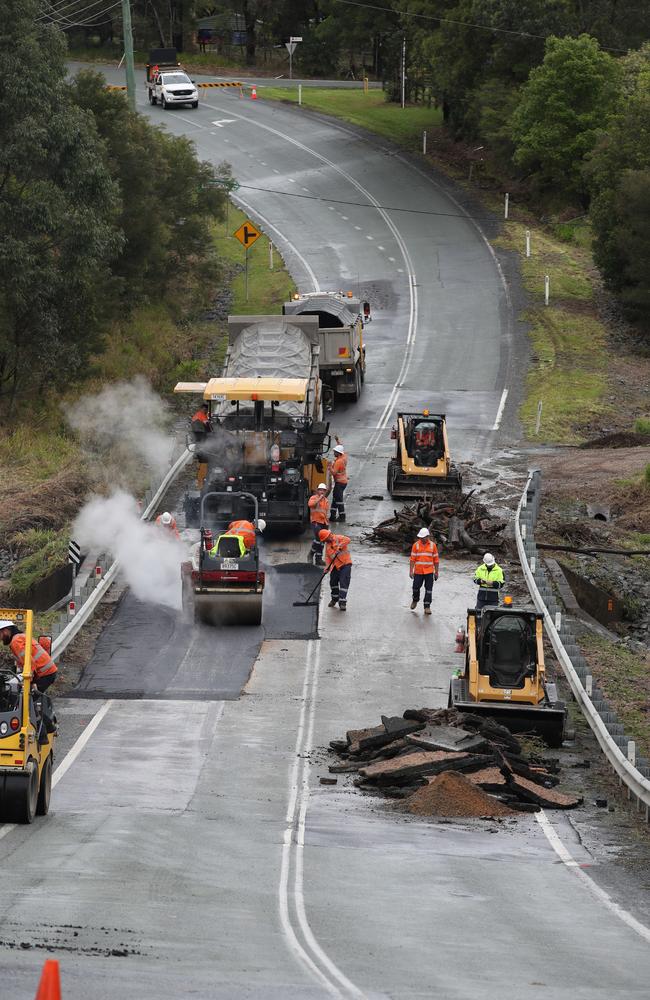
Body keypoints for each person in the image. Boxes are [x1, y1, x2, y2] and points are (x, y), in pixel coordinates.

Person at [0, 621, 58, 739]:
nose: (1, 639)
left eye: (0, 634)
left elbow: (29, 663)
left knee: (27, 703)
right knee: (29, 700)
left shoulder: (16, 641)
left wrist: (30, 682)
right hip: (46, 673)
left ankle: (43, 734)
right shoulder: (21, 637)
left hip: (44, 674)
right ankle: (48, 727)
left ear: (6, 630)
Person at [319, 529, 352, 611]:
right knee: (333, 582)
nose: (326, 541)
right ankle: (334, 599)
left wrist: (339, 547)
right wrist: (327, 568)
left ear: (329, 535)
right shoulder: (328, 546)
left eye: (326, 539)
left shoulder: (338, 537)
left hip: (345, 564)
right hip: (335, 566)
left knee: (344, 582)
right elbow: (328, 558)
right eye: (325, 540)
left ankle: (342, 602)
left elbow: (348, 540)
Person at [409, 527, 439, 616]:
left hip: (429, 571)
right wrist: (411, 570)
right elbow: (412, 559)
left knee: (429, 590)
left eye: (423, 537)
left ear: (427, 537)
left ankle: (427, 607)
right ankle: (415, 599)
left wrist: (436, 572)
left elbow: (436, 560)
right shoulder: (416, 545)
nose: (421, 539)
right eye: (420, 538)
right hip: (418, 571)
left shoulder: (433, 545)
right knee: (415, 588)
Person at [308, 483, 330, 566]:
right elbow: (310, 505)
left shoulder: (326, 501)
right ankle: (311, 554)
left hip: (324, 523)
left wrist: (327, 524)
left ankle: (318, 559)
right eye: (320, 490)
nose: (322, 491)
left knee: (322, 541)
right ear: (317, 491)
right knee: (318, 539)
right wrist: (319, 499)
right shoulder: (313, 498)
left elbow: (325, 513)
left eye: (323, 490)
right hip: (316, 522)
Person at [330, 441, 348, 522]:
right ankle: (332, 516)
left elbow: (334, 472)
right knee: (335, 498)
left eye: (335, 452)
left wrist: (329, 467)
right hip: (342, 482)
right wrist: (338, 441)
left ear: (338, 453)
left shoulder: (339, 462)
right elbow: (341, 446)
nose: (334, 452)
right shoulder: (343, 457)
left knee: (339, 500)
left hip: (339, 483)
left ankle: (342, 516)